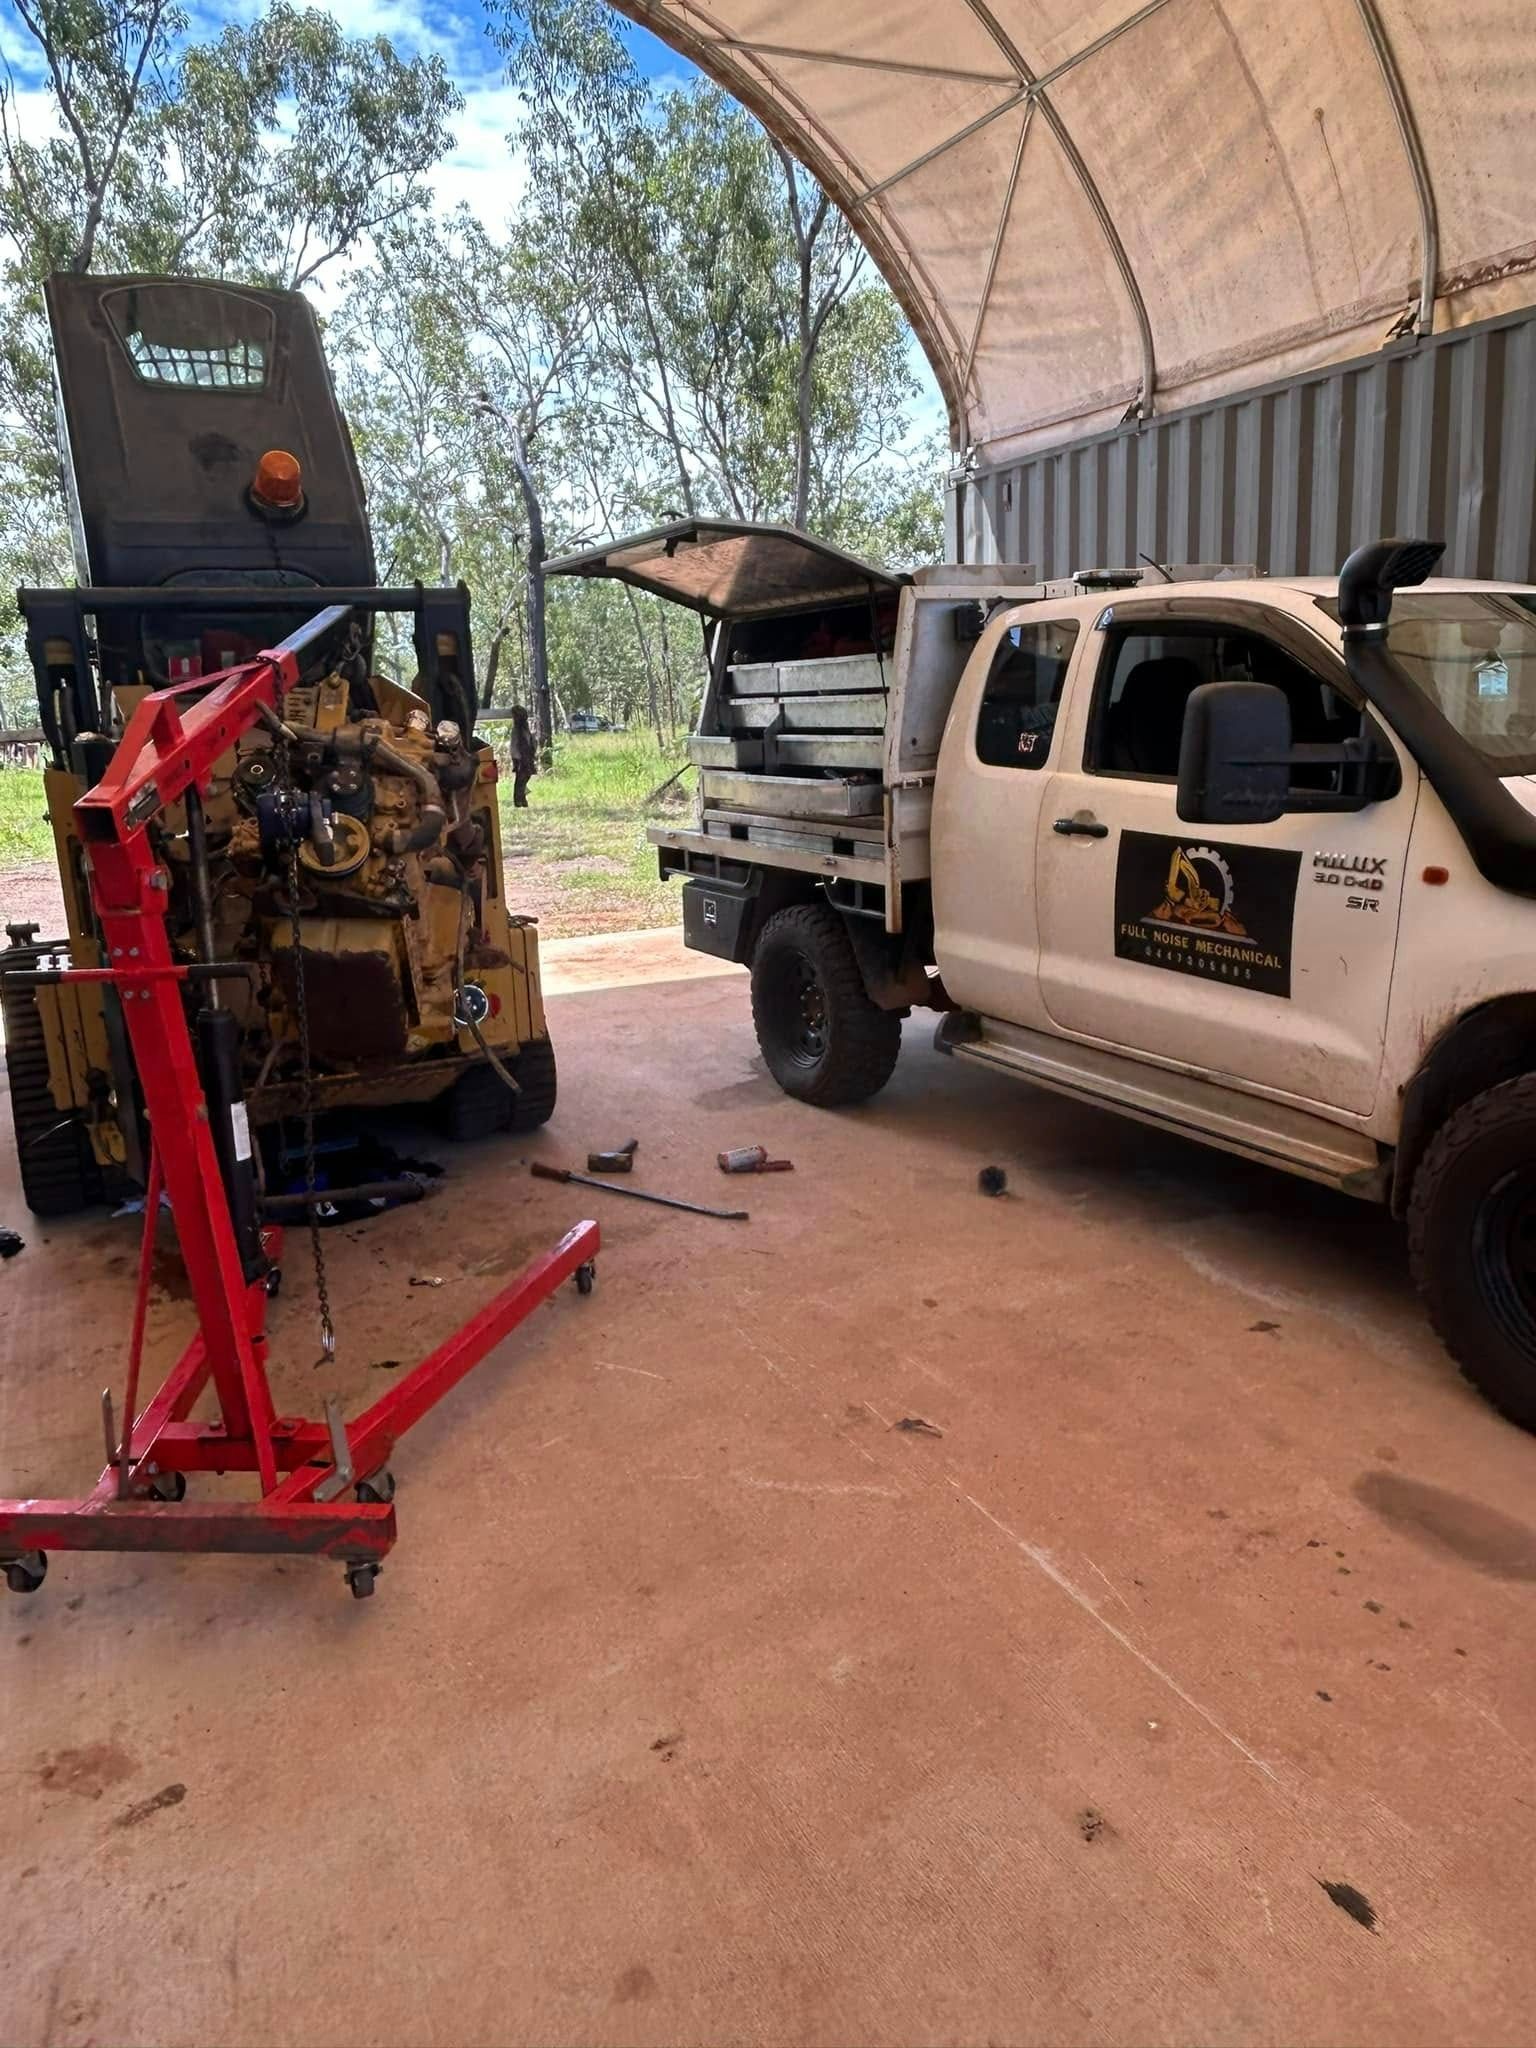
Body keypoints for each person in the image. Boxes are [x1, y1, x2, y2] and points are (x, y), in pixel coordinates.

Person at [510, 705, 535, 809]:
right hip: (520, 758)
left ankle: (522, 798)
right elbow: (514, 745)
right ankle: (519, 801)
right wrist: (517, 759)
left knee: (525, 777)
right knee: (521, 778)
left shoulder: (525, 729)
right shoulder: (517, 730)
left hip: (526, 756)